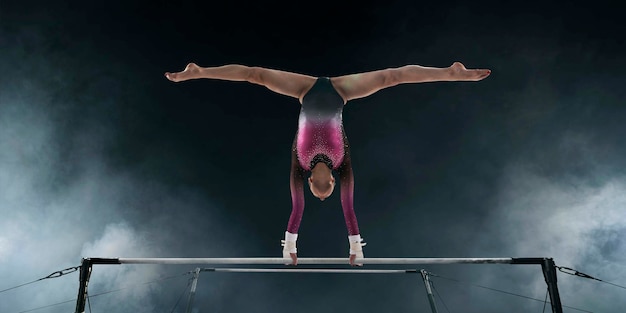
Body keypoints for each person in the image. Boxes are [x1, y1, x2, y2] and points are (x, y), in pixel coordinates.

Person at [165, 62, 491, 266]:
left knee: (257, 75)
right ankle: (451, 74)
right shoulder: (343, 164)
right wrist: (356, 250)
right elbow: (349, 211)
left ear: (309, 183)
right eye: (329, 190)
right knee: (392, 77)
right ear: (333, 182)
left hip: (306, 91)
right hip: (341, 91)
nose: (325, 190)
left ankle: (199, 71)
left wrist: (288, 248)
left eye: (318, 191)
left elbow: (296, 212)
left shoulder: (299, 165)